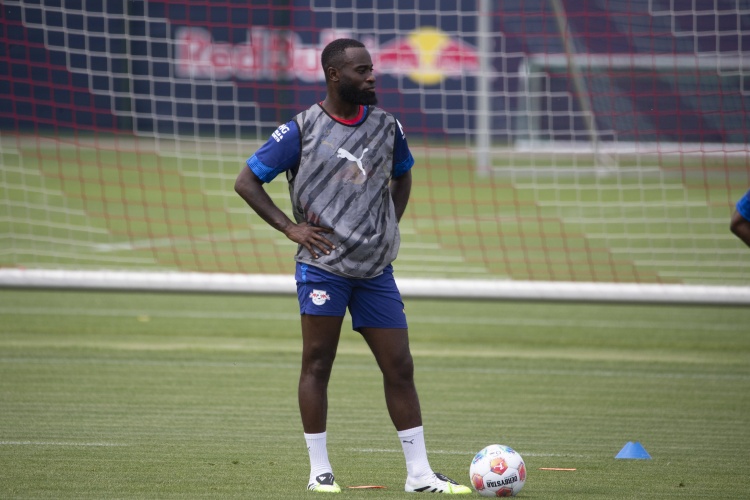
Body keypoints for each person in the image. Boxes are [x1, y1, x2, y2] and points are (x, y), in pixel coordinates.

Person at [234, 38, 471, 494]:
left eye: (371, 68)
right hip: (323, 268)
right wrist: (290, 228)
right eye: (362, 70)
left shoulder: (387, 125)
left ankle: (419, 475)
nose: (372, 77)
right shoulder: (302, 128)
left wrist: (388, 225)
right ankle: (320, 472)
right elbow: (246, 181)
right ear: (334, 75)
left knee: (399, 365)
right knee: (318, 363)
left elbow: (403, 175)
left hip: (375, 271)